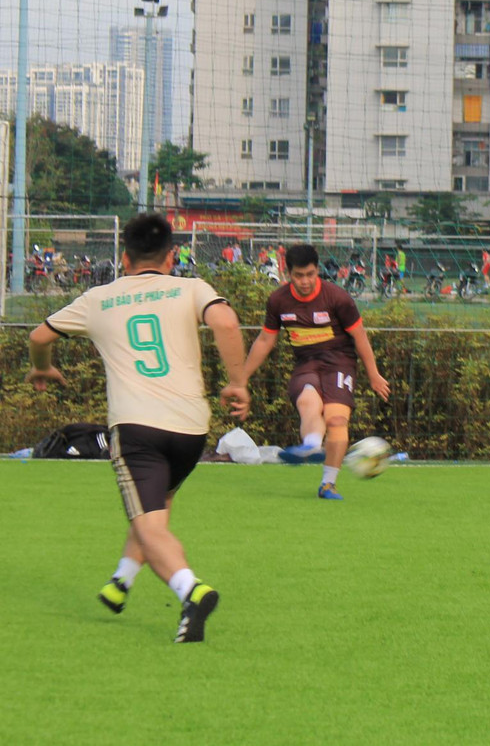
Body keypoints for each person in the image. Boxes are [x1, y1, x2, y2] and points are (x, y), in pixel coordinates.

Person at [25, 213, 251, 643]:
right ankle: (121, 581)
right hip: (190, 429)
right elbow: (225, 322)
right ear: (171, 257)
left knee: (149, 523)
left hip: (137, 428)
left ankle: (192, 591)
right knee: (154, 510)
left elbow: (39, 337)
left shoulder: (98, 298)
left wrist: (44, 369)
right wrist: (237, 382)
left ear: (124, 258)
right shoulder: (191, 288)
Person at [242, 243, 391, 499]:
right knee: (308, 400)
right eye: (298, 276)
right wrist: (240, 379)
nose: (305, 281)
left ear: (317, 271)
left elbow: (360, 338)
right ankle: (310, 445)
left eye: (310, 274)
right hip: (306, 363)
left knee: (336, 420)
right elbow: (265, 340)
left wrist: (374, 374)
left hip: (340, 363)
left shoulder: (337, 298)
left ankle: (327, 484)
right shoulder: (278, 300)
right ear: (287, 272)